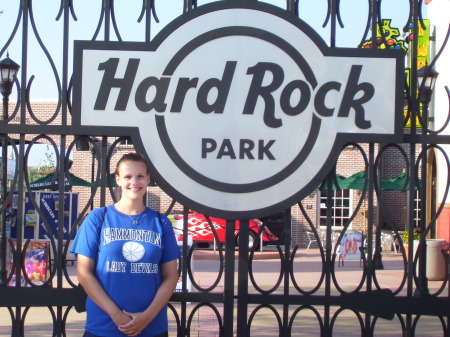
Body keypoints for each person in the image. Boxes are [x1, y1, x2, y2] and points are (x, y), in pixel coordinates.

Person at [71, 153, 179, 337]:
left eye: (140, 176)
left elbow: (170, 275)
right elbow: (84, 273)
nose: (134, 182)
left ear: (148, 179)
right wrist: (116, 315)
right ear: (118, 179)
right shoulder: (98, 219)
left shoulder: (161, 223)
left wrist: (147, 317)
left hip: (151, 327)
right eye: (128, 176)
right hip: (105, 326)